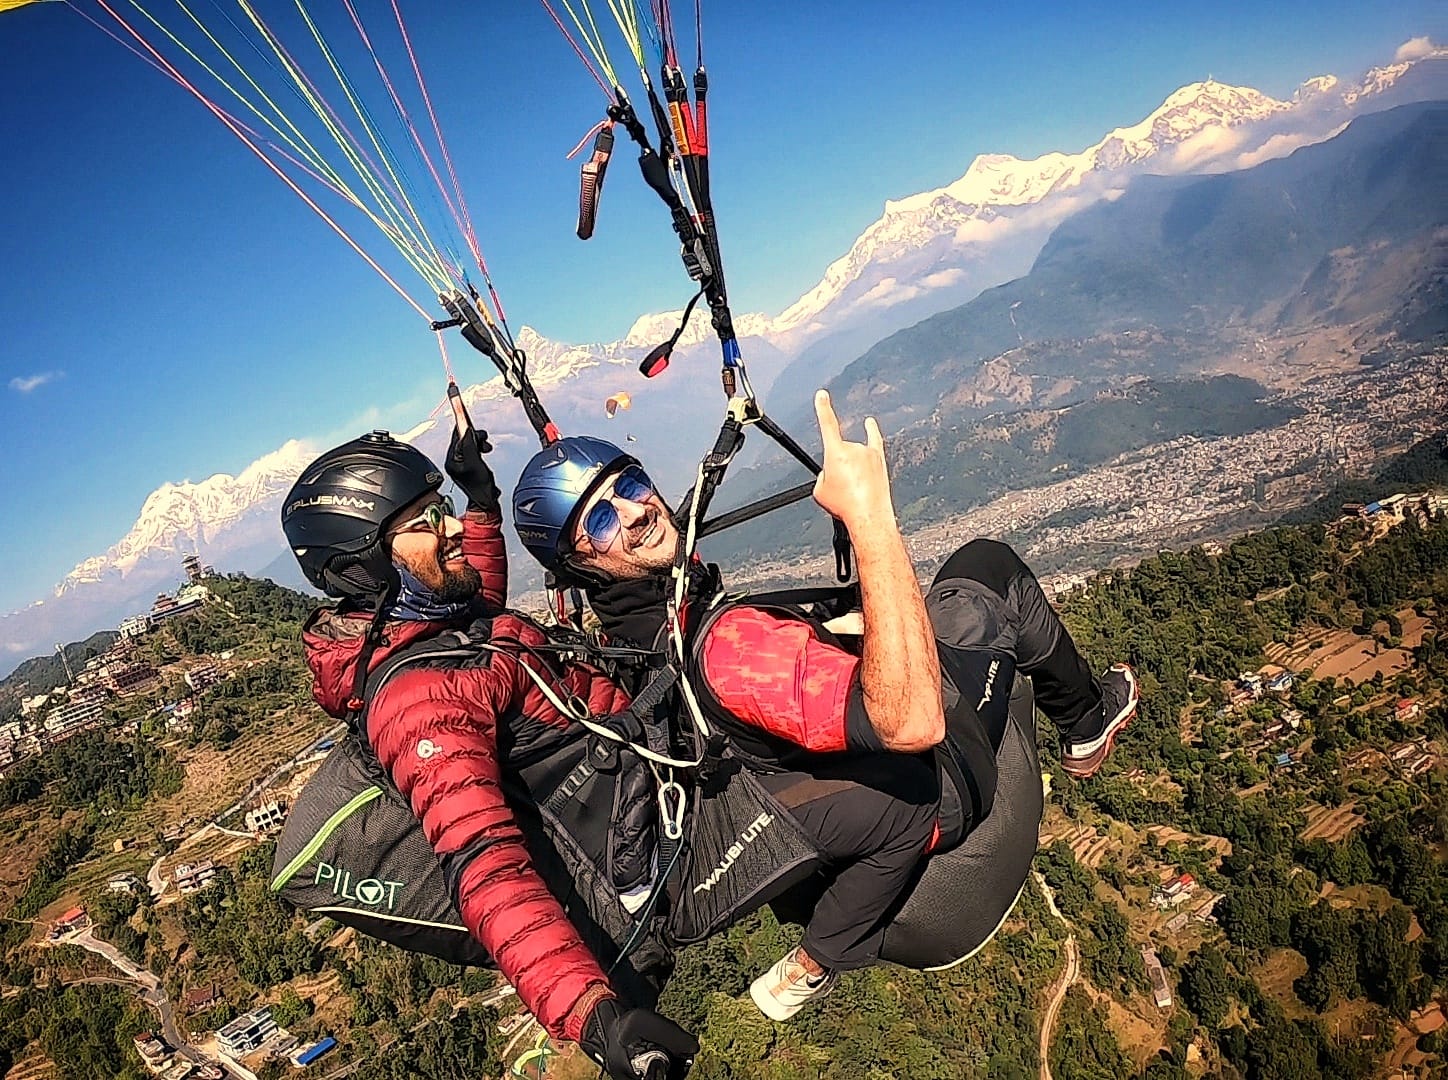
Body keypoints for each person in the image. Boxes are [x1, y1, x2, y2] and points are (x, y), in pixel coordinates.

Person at [511, 390, 1139, 1021]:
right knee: (986, 570)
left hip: (823, 815)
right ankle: (1086, 724)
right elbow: (914, 719)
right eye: (599, 520)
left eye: (630, 483)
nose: (634, 511)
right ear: (580, 564)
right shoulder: (729, 645)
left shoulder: (632, 652)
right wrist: (870, 518)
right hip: (943, 781)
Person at [280, 428, 696, 1080]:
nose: (445, 527)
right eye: (424, 521)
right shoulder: (416, 701)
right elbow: (485, 868)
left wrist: (479, 499)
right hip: (641, 805)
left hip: (631, 728)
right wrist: (591, 1013)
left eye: (438, 507)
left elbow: (479, 607)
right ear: (366, 565)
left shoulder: (419, 619)